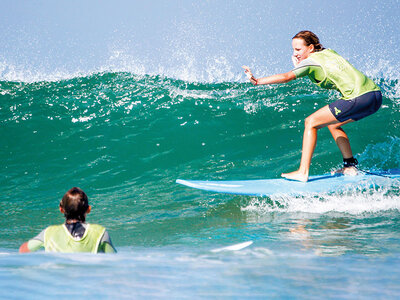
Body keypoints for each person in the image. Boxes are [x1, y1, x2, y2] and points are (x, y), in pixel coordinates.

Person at [243, 30, 381, 182]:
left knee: (311, 122)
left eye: (298, 49)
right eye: (293, 50)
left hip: (357, 97)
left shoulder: (311, 62)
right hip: (375, 96)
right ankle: (349, 166)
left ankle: (303, 171)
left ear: (310, 48)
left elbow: (286, 77)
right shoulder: (329, 53)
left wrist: (257, 81)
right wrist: (302, 65)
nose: (295, 53)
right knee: (333, 125)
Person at [19, 187, 116, 253]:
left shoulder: (48, 233)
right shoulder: (100, 232)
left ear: (61, 209)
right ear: (88, 209)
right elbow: (114, 260)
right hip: (88, 281)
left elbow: (23, 250)